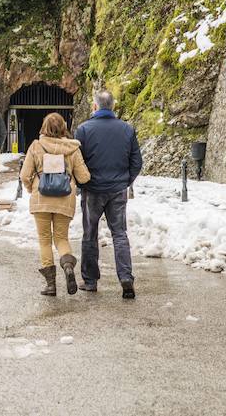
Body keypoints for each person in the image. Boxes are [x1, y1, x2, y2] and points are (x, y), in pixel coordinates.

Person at [74, 90, 143, 299]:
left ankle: (90, 280)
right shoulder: (127, 129)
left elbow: (77, 162)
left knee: (90, 234)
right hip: (117, 190)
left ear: (95, 106)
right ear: (113, 106)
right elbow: (136, 161)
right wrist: (125, 181)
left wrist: (82, 183)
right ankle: (125, 277)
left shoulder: (83, 130)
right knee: (120, 234)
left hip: (92, 190)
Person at [20, 113, 90, 296]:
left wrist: (31, 187)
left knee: (44, 240)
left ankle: (51, 285)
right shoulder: (73, 148)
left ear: (44, 127)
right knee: (61, 238)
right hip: (65, 200)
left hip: (41, 199)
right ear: (64, 128)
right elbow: (84, 177)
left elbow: (24, 175)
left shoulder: (36, 146)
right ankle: (67, 265)